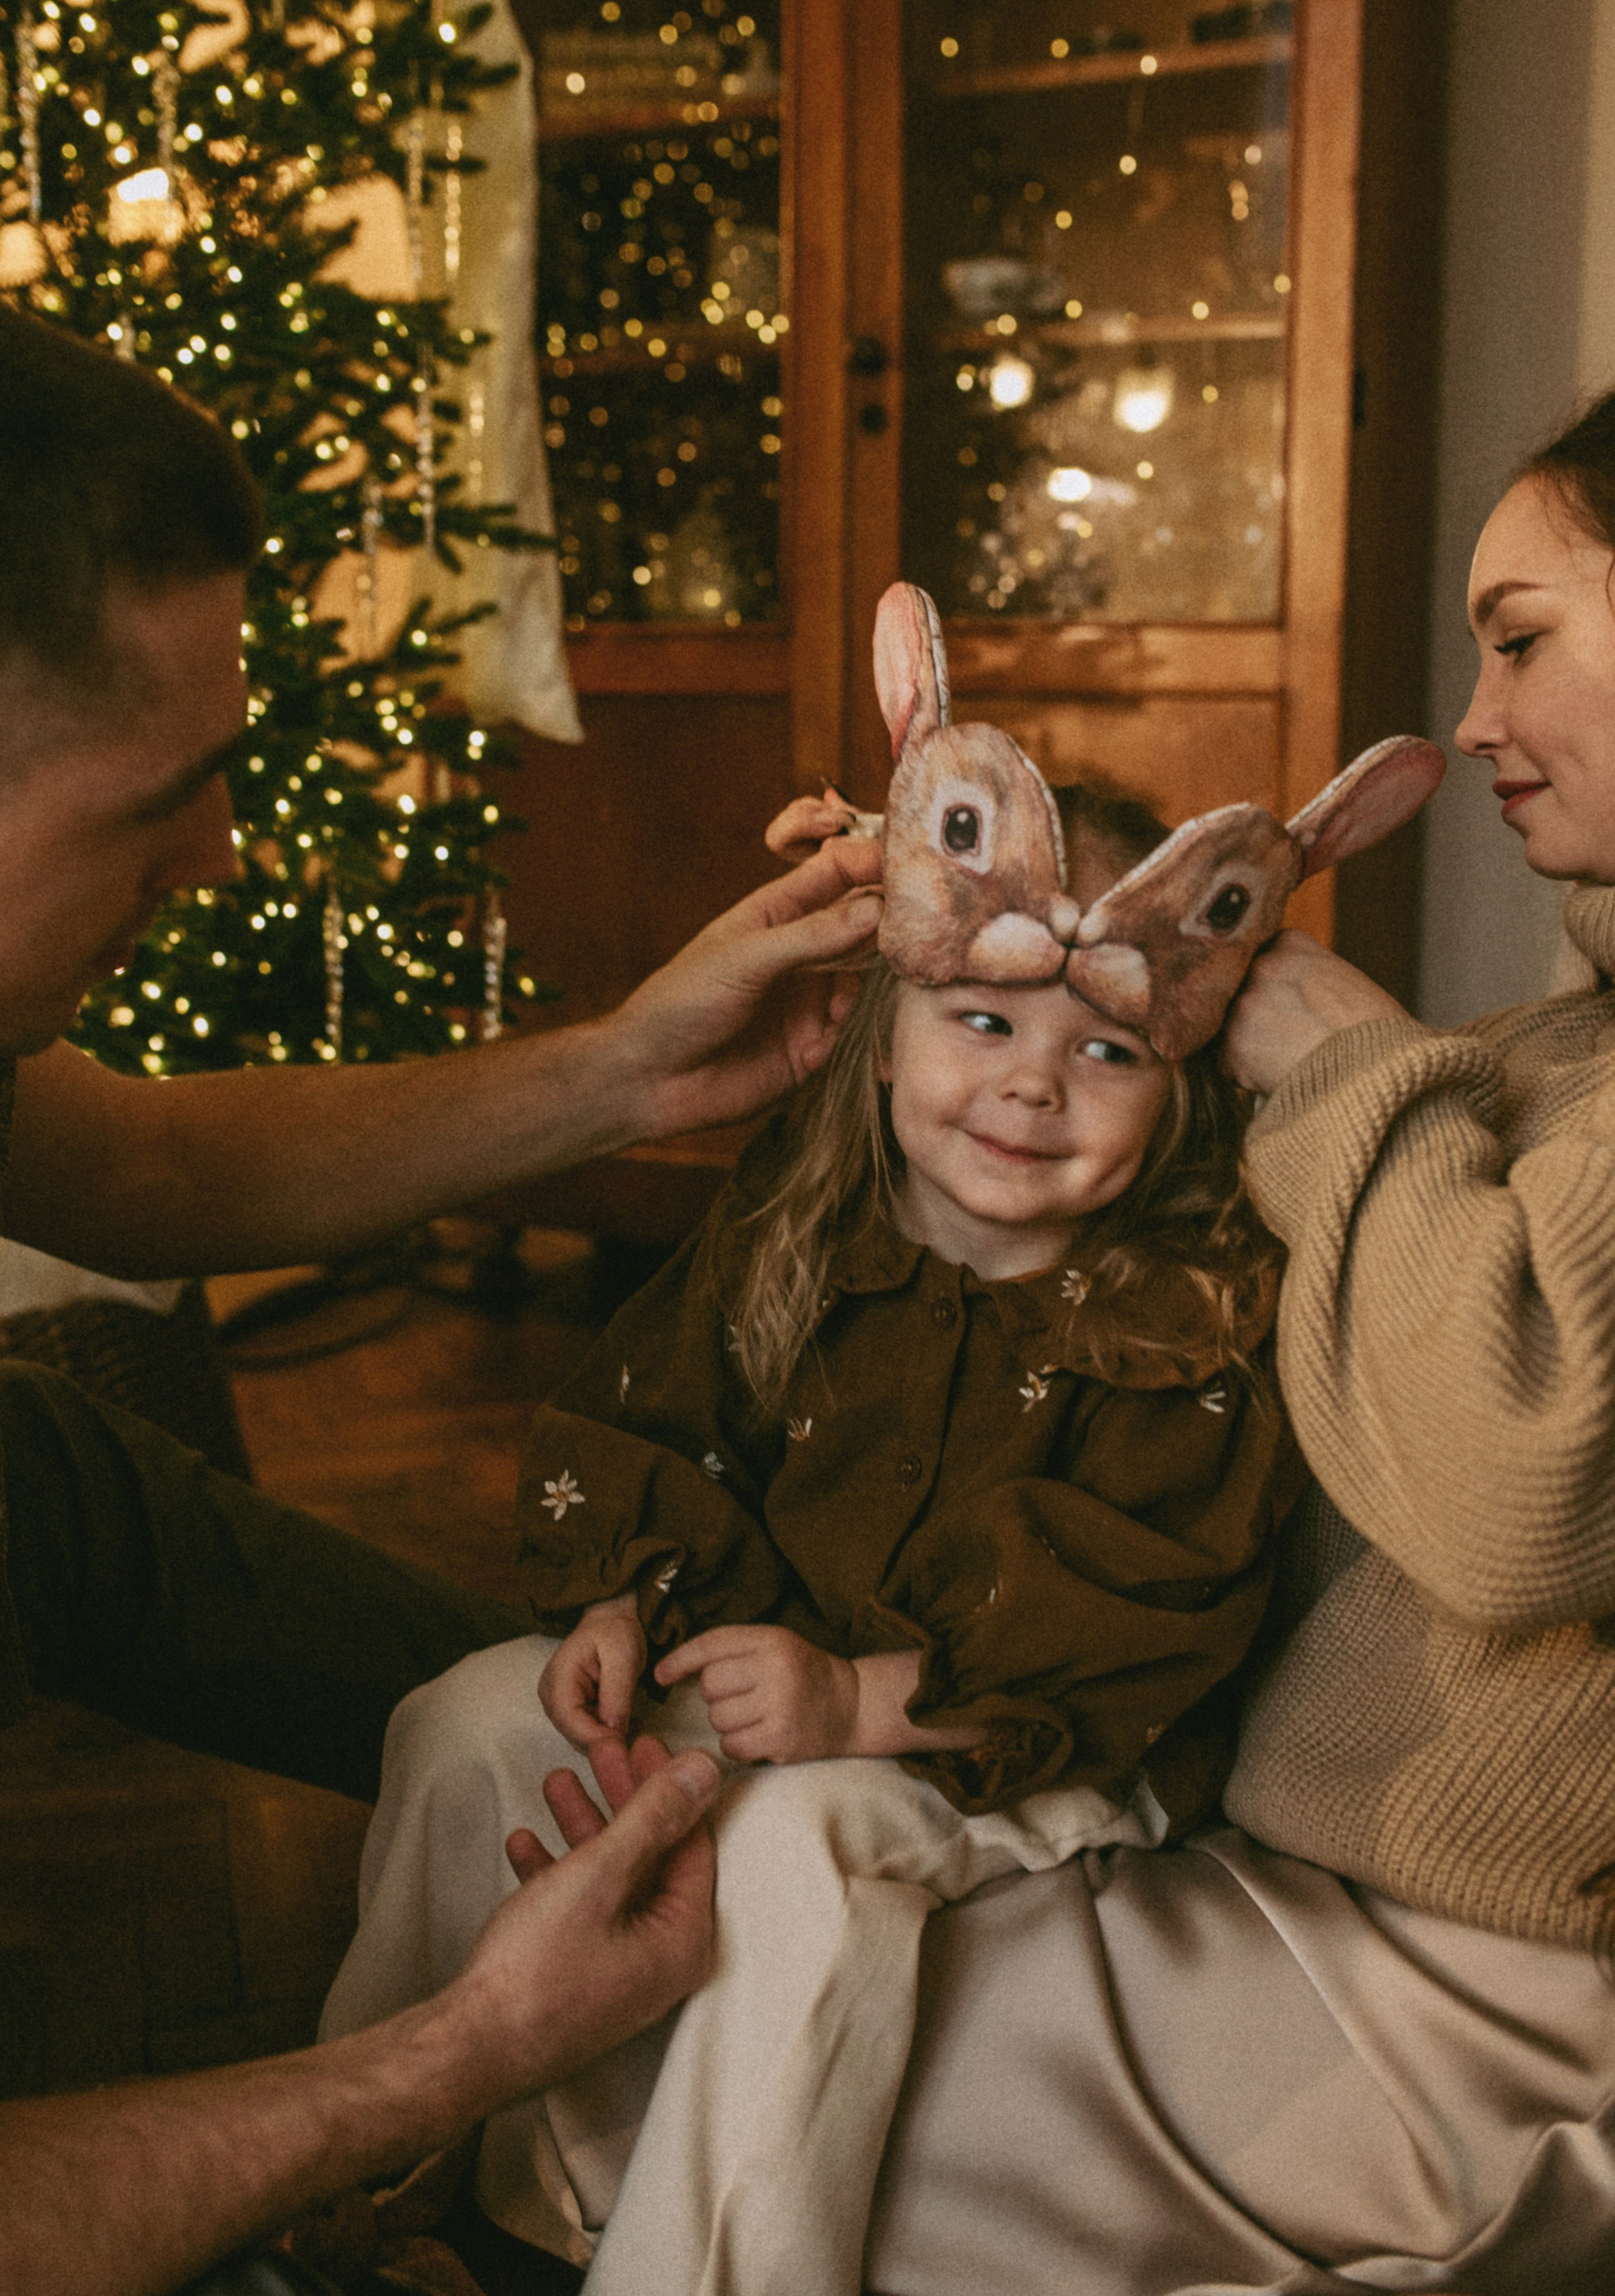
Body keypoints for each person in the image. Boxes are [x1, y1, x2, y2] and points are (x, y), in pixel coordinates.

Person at [0, 279, 880, 2292]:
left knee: (83, 1486)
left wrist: (632, 1064)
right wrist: (458, 2056)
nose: (228, 855)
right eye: (162, 803)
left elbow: (147, 1163)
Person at [316, 781, 1301, 2294]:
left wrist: (860, 1706)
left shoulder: (1177, 1320)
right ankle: (358, 2166)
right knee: (459, 1722)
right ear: (881, 1022)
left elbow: (1142, 1611)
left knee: (792, 1846)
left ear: (1179, 1092)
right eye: (983, 1023)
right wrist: (622, 1603)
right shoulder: (809, 1209)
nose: (1031, 1087)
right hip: (782, 1662)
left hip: (1023, 1737)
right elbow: (664, 1406)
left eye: (1103, 1051)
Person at [835, 396, 1615, 2294]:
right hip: (1264, 1840)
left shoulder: (1473, 1080)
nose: (1482, 721)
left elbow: (1518, 1480)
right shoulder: (1540, 1054)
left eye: (1521, 637)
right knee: (754, 1944)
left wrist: (1345, 1059)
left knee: (806, 2070)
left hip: (1473, 1973)